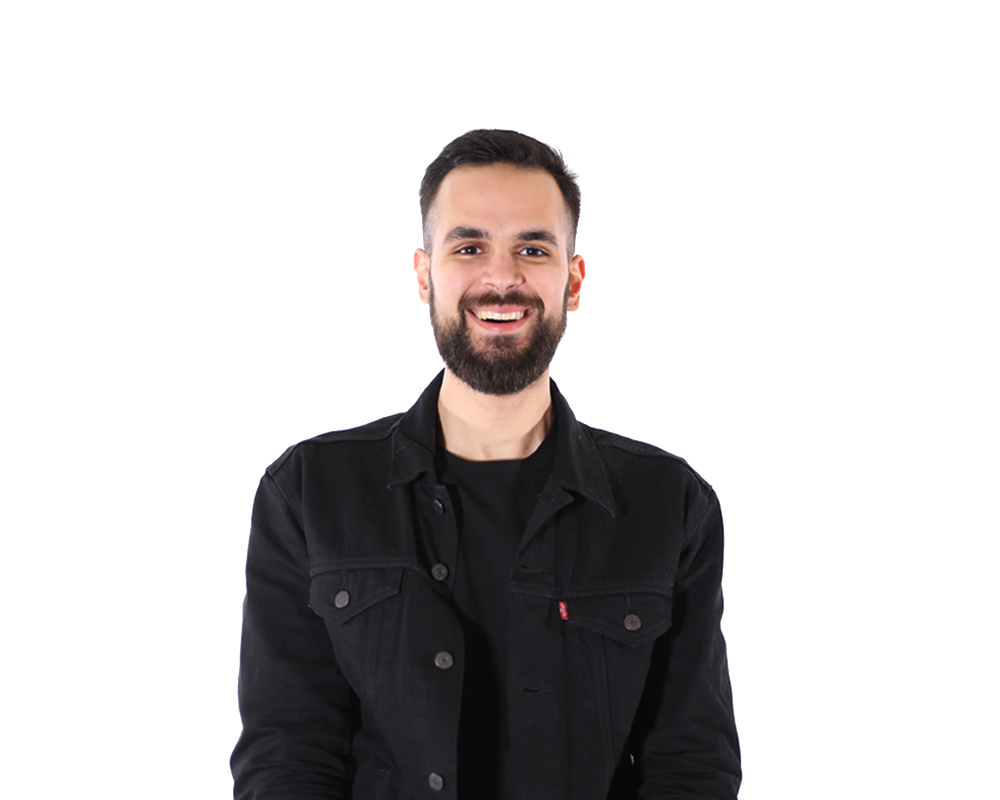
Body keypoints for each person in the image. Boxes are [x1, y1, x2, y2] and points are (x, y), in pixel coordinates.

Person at [231, 129, 741, 799]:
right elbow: (288, 757)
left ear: (573, 280)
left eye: (533, 249)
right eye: (469, 248)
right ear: (425, 275)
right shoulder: (308, 493)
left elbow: (691, 766)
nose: (501, 279)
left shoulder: (669, 504)